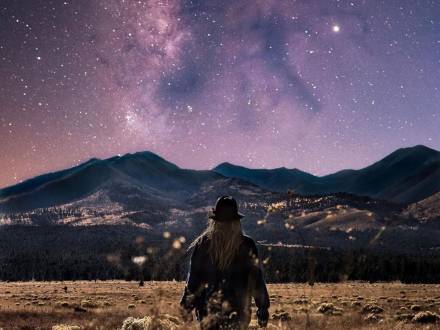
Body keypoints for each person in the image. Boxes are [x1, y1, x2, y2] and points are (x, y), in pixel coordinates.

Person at [180, 196, 270, 329]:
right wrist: (262, 308)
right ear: (237, 221)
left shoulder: (203, 244)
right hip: (239, 314)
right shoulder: (246, 245)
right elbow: (256, 280)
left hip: (208, 314)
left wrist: (186, 306)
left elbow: (194, 280)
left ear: (215, 221)